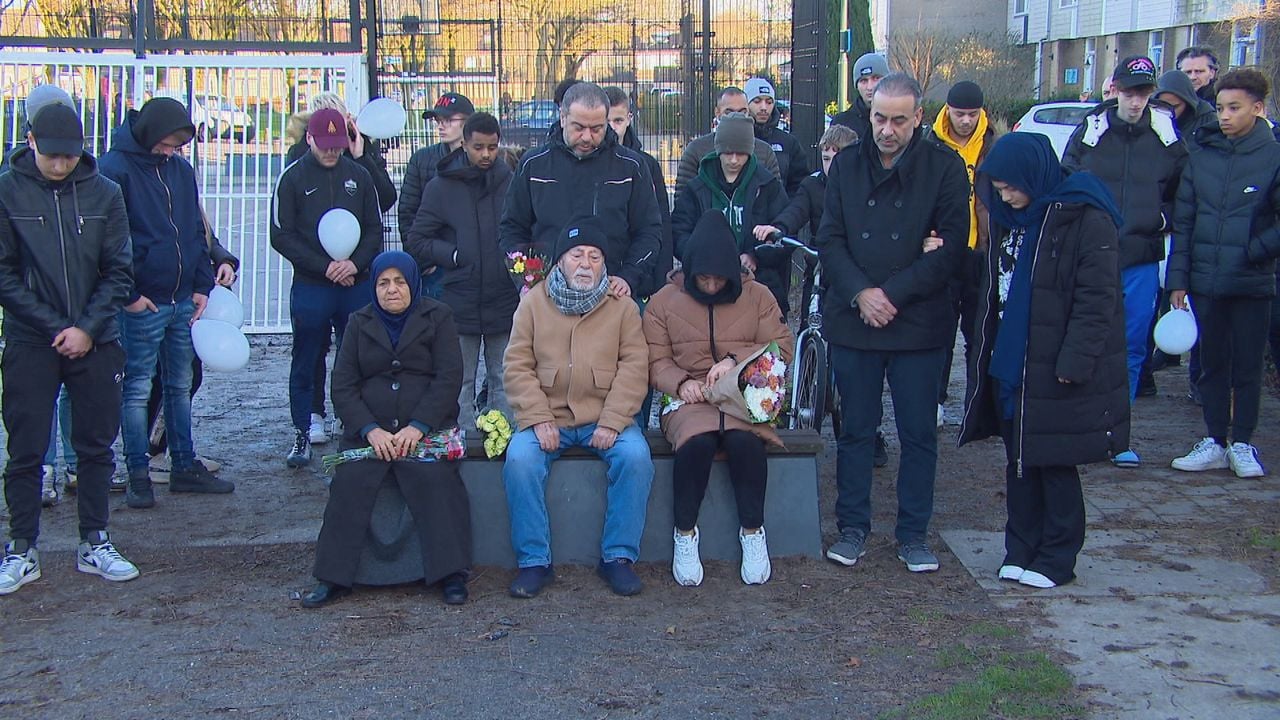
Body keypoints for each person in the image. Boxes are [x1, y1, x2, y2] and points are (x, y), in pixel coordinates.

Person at [959, 132, 1129, 589]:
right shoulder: (1010, 219)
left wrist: (1075, 360)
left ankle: (1057, 556)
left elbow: (1098, 301)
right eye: (997, 189)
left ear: (1033, 174)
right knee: (1018, 459)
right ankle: (1020, 547)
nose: (1004, 195)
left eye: (1011, 185)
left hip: (1056, 362)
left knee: (1054, 462)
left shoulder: (1085, 217)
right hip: (1014, 360)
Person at [815, 73, 968, 574]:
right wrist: (862, 293)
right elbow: (830, 239)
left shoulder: (944, 168)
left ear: (918, 118)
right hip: (855, 316)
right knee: (855, 430)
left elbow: (950, 249)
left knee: (918, 433)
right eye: (879, 117)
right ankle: (853, 527)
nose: (886, 129)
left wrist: (891, 295)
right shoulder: (847, 166)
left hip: (918, 320)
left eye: (898, 120)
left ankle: (913, 534)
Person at [0, 103, 139, 594]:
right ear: (32, 142)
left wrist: (87, 327)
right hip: (30, 340)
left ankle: (95, 540)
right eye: (52, 155)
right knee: (26, 448)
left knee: (97, 445)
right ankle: (22, 547)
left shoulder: (106, 193)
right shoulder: (7, 191)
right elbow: (5, 272)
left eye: (69, 155)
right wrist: (56, 326)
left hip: (96, 341)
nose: (60, 165)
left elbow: (119, 269)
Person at [300, 251, 471, 608]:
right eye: (382, 283)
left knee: (436, 480)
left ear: (412, 283)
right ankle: (333, 576)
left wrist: (417, 427)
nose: (391, 290)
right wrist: (370, 430)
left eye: (399, 281)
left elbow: (448, 377)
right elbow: (343, 385)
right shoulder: (359, 322)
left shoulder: (438, 317)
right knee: (350, 481)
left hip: (425, 432)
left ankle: (451, 574)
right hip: (372, 435)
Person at [502, 218, 653, 598]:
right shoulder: (533, 303)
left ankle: (617, 558)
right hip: (547, 418)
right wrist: (537, 418)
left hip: (605, 418)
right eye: (576, 255)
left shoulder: (623, 308)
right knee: (520, 460)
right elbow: (516, 365)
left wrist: (615, 421)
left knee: (636, 457)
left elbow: (635, 367)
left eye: (594, 256)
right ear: (560, 261)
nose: (585, 264)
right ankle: (534, 561)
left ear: (605, 264)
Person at [643, 210, 793, 586]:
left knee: (746, 444)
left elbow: (781, 347)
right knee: (696, 444)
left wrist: (734, 361)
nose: (711, 286)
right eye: (703, 279)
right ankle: (685, 534)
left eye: (719, 279)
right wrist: (679, 384)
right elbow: (653, 359)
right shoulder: (663, 302)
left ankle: (753, 532)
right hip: (689, 396)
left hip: (743, 394)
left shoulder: (757, 296)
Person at [99, 96, 234, 508]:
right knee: (138, 389)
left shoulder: (180, 171)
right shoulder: (113, 171)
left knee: (179, 384)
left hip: (179, 299)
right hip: (143, 303)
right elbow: (110, 242)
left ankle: (183, 464)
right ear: (150, 135)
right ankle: (138, 472)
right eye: (167, 144)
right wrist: (130, 295)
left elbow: (194, 230)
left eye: (177, 147)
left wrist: (200, 284)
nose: (171, 153)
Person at [1062, 56, 1187, 468]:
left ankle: (1119, 434)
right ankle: (1082, 429)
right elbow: (1068, 179)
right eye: (1130, 92)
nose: (1136, 101)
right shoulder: (1093, 132)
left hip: (1140, 258)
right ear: (1115, 89)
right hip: (1093, 257)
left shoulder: (1166, 135)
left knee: (1131, 348)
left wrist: (1160, 219)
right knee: (1088, 343)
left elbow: (1181, 189)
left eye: (1144, 93)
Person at [1167, 68, 1280, 479]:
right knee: (1211, 363)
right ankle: (1214, 440)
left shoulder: (1273, 156)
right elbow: (1184, 222)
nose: (1225, 116)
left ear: (1258, 108)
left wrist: (1253, 252)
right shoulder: (1202, 156)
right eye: (1220, 108)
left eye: (1234, 107)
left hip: (1252, 283)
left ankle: (1244, 443)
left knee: (1247, 366)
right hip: (1204, 282)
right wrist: (1177, 281)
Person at [272, 108, 384, 468]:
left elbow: (373, 228)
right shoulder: (292, 178)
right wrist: (324, 267)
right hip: (312, 284)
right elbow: (281, 234)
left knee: (359, 354)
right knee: (307, 355)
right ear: (309, 139)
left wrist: (355, 264)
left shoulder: (359, 176)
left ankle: (356, 423)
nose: (332, 153)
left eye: (337, 146)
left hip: (354, 282)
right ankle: (303, 429)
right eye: (325, 146)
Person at [404, 112, 518, 429]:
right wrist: (454, 255)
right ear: (464, 144)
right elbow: (417, 239)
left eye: (492, 147)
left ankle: (503, 443)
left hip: (503, 297)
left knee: (505, 378)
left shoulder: (510, 181)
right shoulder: (441, 187)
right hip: (458, 297)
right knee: (460, 380)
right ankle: (461, 447)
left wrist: (519, 265)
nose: (485, 154)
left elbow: (524, 228)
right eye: (478, 147)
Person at [499, 82, 662, 301]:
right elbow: (512, 228)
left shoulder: (632, 167)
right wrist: (527, 279)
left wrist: (629, 276)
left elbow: (649, 230)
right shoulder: (533, 165)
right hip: (546, 294)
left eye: (597, 129)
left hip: (611, 294)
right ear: (563, 117)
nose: (587, 137)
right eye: (579, 127)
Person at [145, 205, 238, 480]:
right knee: (160, 382)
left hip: (191, 301)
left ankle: (176, 449)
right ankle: (151, 452)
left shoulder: (185, 192)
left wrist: (224, 260)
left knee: (189, 377)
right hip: (163, 301)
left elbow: (205, 239)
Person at [672, 113, 790, 317]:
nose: (734, 160)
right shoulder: (696, 188)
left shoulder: (767, 185)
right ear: (718, 150)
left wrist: (756, 255)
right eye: (728, 153)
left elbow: (784, 234)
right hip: (708, 286)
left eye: (741, 153)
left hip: (758, 283)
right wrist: (704, 261)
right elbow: (679, 233)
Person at [931, 80, 998, 425]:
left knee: (981, 332)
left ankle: (977, 401)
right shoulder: (931, 145)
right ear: (949, 111)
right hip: (944, 251)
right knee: (940, 333)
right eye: (960, 114)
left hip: (982, 251)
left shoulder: (992, 146)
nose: (967, 122)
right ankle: (937, 401)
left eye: (973, 115)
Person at [400, 92, 474, 302]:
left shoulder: (482, 160)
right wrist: (423, 262)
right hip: (433, 267)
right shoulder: (421, 159)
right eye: (438, 121)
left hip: (472, 264)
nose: (441, 126)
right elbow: (407, 214)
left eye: (448, 120)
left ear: (468, 123)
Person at [604, 86, 674, 295]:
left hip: (639, 278)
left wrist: (662, 282)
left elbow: (661, 224)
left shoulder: (647, 165)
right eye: (606, 122)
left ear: (629, 118)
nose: (612, 129)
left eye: (618, 121)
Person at [674, 87, 780, 197]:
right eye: (729, 112)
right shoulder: (696, 149)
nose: (736, 117)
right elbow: (683, 198)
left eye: (742, 112)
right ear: (717, 113)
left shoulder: (765, 151)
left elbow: (775, 198)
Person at [743, 77, 809, 197]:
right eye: (757, 101)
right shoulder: (736, 139)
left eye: (769, 102)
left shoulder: (788, 142)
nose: (764, 107)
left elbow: (799, 184)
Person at [830, 52, 889, 145]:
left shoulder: (900, 119)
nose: (870, 87)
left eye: (876, 78)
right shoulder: (842, 123)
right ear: (856, 86)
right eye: (863, 81)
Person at [1154, 70, 1218, 148]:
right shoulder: (1148, 119)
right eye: (1163, 107)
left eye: (1175, 107)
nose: (1170, 113)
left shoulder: (1208, 119)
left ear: (1188, 102)